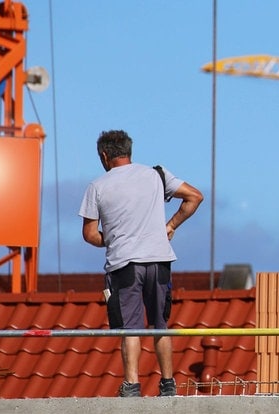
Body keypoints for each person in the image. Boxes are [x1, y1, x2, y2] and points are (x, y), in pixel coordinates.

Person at [79, 130, 204, 397]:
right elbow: (194, 197)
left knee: (130, 328)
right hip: (159, 260)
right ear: (129, 151)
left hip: (125, 264)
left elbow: (90, 234)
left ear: (104, 155)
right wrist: (170, 226)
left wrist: (112, 238)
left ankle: (132, 385)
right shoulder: (156, 174)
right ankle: (168, 385)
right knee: (161, 324)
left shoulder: (98, 186)